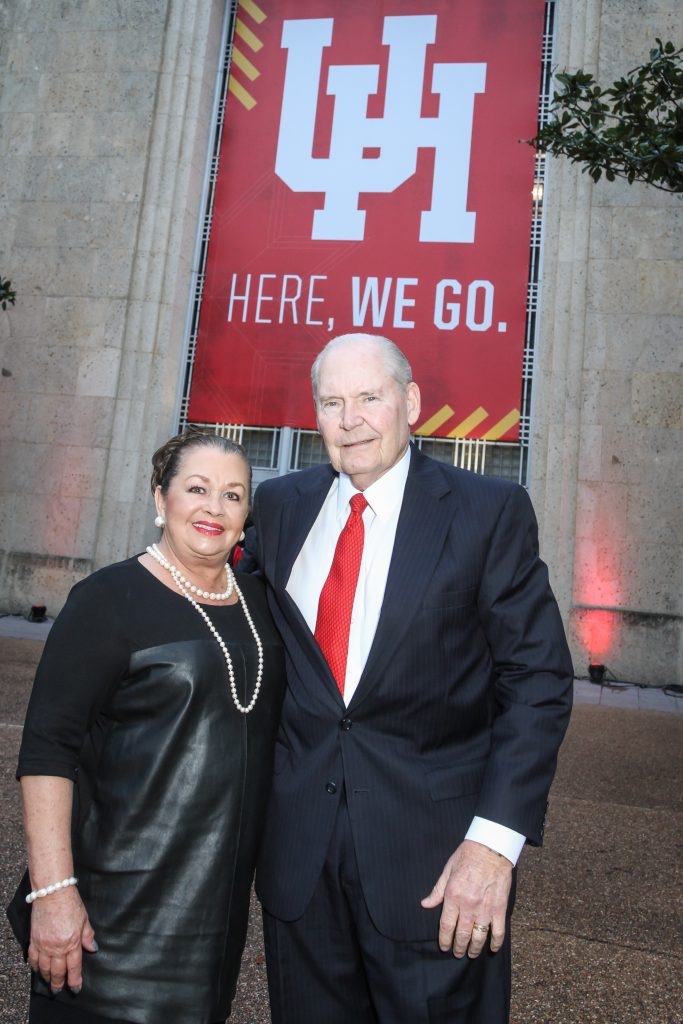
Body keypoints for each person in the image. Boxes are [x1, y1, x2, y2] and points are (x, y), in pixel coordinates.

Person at [240, 333, 573, 1023]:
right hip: (299, 865)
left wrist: (492, 844)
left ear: (411, 403)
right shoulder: (279, 508)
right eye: (331, 402)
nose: (350, 418)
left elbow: (535, 681)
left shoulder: (486, 512)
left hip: (437, 869)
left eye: (368, 397)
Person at [7, 430, 286, 1024]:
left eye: (233, 495)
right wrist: (54, 894)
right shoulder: (106, 600)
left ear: (246, 517)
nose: (214, 507)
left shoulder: (265, 607)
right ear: (161, 500)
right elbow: (47, 753)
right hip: (108, 916)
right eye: (197, 488)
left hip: (213, 920)